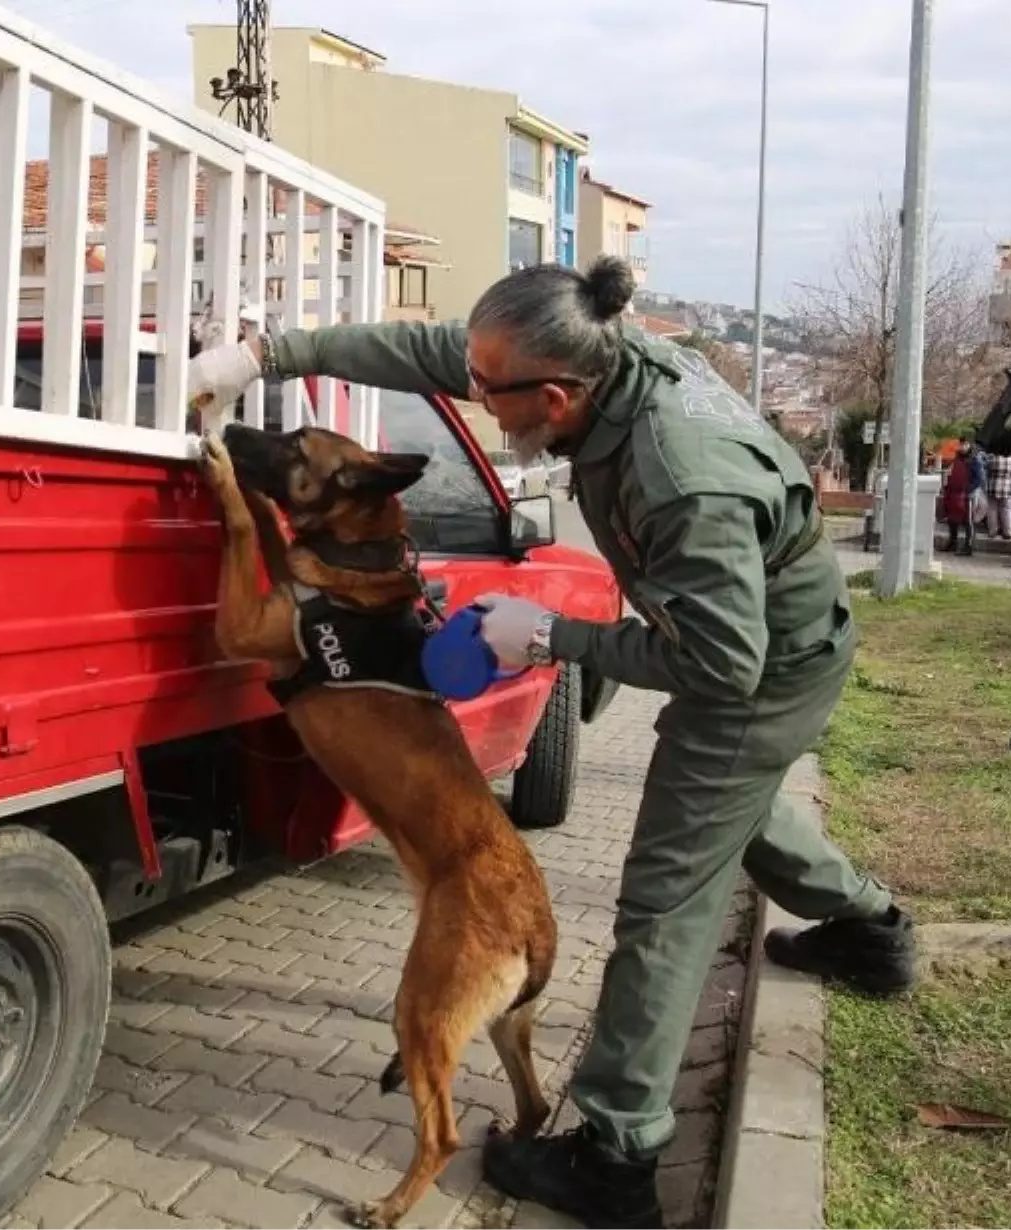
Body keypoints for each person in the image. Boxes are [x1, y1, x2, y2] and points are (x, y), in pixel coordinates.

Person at [187, 256, 917, 1230]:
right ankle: (869, 929)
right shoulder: (571, 351)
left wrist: (550, 635)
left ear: (560, 393)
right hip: (737, 631)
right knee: (729, 809)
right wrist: (264, 353)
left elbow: (720, 667)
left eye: (490, 392)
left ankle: (615, 1155)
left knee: (666, 899)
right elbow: (423, 350)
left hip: (761, 661)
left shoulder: (684, 481)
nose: (475, 398)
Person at [941, 438, 983, 555]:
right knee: (952, 519)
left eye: (964, 444)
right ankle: (952, 543)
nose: (962, 446)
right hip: (954, 493)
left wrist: (968, 490)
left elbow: (978, 479)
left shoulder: (974, 459)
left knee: (968, 520)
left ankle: (968, 546)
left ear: (969, 445)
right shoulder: (957, 458)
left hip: (967, 494)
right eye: (961, 444)